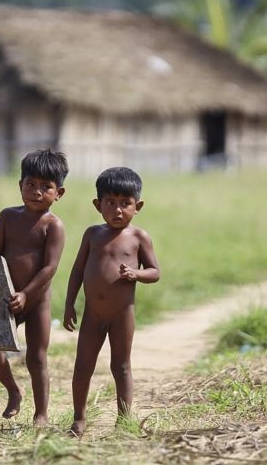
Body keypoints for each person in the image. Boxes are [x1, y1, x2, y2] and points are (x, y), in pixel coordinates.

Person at [63, 167, 160, 436]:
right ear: (98, 205)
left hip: (122, 314)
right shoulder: (92, 235)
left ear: (137, 206)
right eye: (110, 203)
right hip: (93, 314)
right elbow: (77, 271)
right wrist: (70, 303)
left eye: (125, 204)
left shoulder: (140, 238)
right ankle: (79, 419)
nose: (118, 210)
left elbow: (155, 272)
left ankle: (124, 421)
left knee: (121, 366)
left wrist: (136, 274)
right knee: (83, 366)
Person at [0, 148, 68, 427]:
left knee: (37, 358)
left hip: (37, 301)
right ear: (20, 186)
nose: (37, 192)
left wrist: (27, 293)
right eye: (31, 184)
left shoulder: (53, 226)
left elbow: (49, 268)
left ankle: (41, 414)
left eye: (46, 187)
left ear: (59, 193)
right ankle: (14, 391)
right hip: (8, 298)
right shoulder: (7, 217)